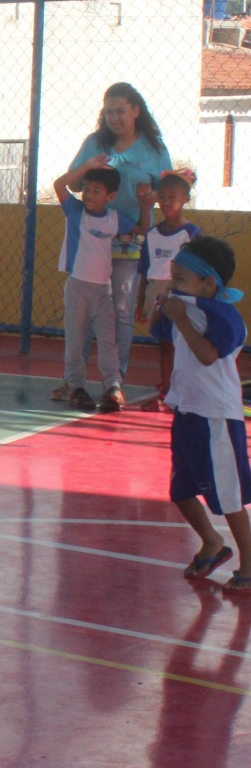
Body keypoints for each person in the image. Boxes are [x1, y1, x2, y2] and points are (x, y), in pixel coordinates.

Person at [148, 236, 251, 593]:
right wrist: (163, 305)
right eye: (172, 277)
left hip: (215, 415)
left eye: (180, 279)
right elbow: (157, 328)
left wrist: (182, 319)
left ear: (208, 283)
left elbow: (208, 355)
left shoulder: (224, 315)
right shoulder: (184, 305)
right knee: (181, 489)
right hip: (188, 411)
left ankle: (249, 563)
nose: (173, 284)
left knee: (229, 496)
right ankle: (212, 542)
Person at [62, 82, 171, 376]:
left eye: (120, 111)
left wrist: (150, 198)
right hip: (91, 239)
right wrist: (88, 167)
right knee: (83, 310)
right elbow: (72, 183)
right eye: (109, 112)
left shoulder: (154, 149)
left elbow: (166, 190)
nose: (114, 118)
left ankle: (115, 379)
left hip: (129, 236)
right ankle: (74, 381)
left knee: (121, 310)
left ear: (136, 111)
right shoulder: (94, 143)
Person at [52, 163, 138, 412]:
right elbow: (59, 185)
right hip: (77, 288)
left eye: (96, 191)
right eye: (86, 189)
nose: (89, 195)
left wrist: (145, 205)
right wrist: (87, 166)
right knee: (75, 340)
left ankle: (112, 385)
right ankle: (75, 386)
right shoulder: (75, 211)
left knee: (107, 339)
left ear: (110, 196)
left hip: (103, 291)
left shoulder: (114, 219)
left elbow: (140, 229)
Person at [136, 169, 200, 408]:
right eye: (161, 197)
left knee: (183, 343)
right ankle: (167, 391)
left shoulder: (191, 233)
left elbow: (198, 269)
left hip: (182, 295)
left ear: (185, 199)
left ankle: (183, 391)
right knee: (164, 343)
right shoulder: (152, 234)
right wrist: (141, 302)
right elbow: (145, 270)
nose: (165, 202)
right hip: (156, 293)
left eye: (172, 197)